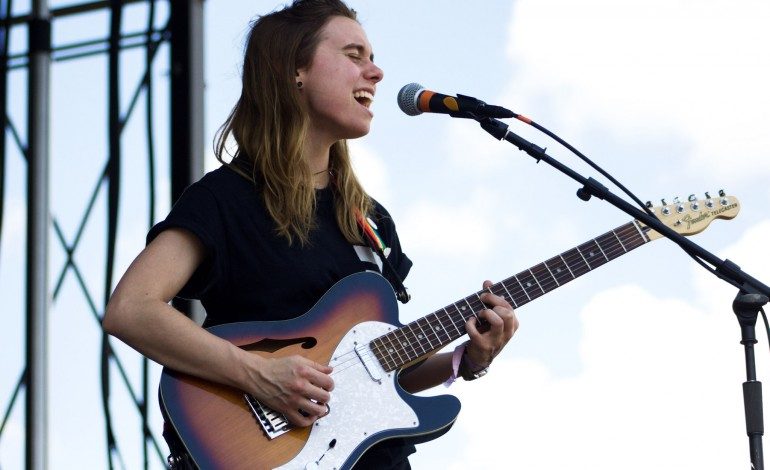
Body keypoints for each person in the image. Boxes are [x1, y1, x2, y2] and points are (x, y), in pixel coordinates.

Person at [103, 0, 518, 468]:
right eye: (354, 54)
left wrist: (466, 360)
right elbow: (130, 310)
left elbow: (375, 369)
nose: (376, 72)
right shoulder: (225, 198)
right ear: (294, 70)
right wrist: (259, 375)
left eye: (372, 57)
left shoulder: (369, 219)